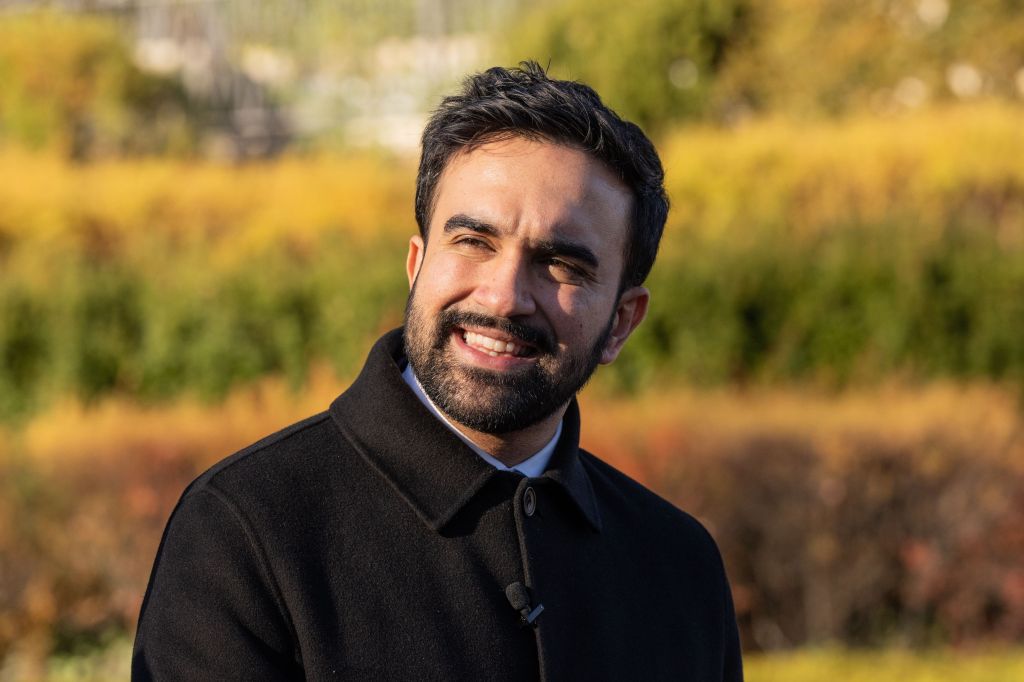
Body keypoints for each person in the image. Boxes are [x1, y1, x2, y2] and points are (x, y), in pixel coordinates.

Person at [133, 62, 743, 681]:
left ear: (622, 321)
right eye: (474, 241)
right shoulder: (246, 532)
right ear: (416, 264)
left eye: (561, 265)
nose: (504, 297)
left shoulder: (679, 567)